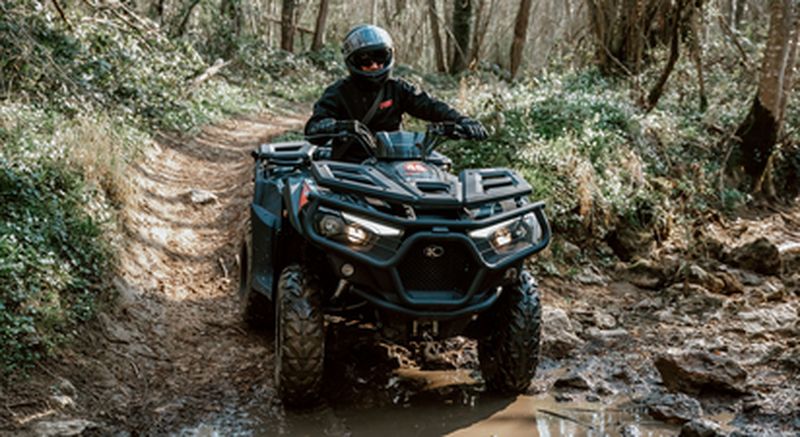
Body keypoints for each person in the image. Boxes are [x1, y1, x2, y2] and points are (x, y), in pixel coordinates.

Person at [304, 24, 487, 160]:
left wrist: (462, 120)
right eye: (365, 61)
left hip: (394, 162)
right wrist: (331, 126)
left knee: (440, 170)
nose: (374, 65)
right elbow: (313, 129)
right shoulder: (338, 92)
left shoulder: (398, 88)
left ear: (389, 57)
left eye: (380, 57)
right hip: (351, 168)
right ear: (352, 61)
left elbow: (429, 106)